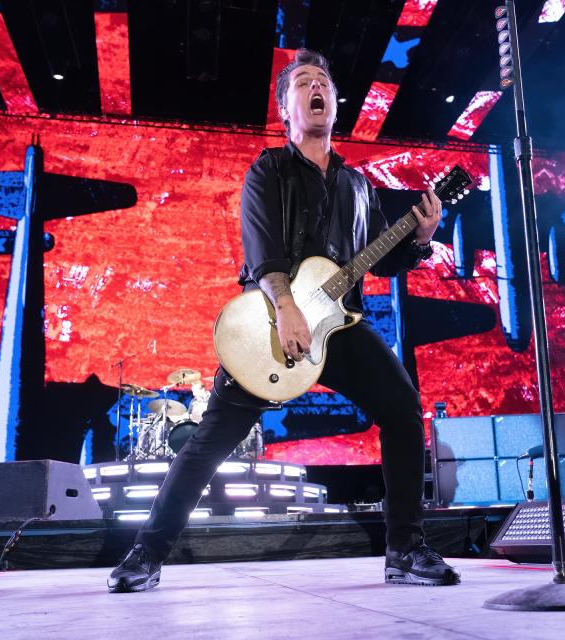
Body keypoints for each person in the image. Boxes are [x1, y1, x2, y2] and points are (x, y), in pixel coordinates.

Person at [107, 49, 459, 592]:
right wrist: (286, 306)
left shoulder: (359, 186)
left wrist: (419, 240)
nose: (316, 87)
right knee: (208, 443)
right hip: (270, 324)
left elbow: (378, 259)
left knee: (401, 407)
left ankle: (404, 549)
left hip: (336, 327)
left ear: (334, 103)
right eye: (303, 83)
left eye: (323, 81)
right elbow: (262, 249)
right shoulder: (268, 169)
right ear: (286, 109)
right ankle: (146, 554)